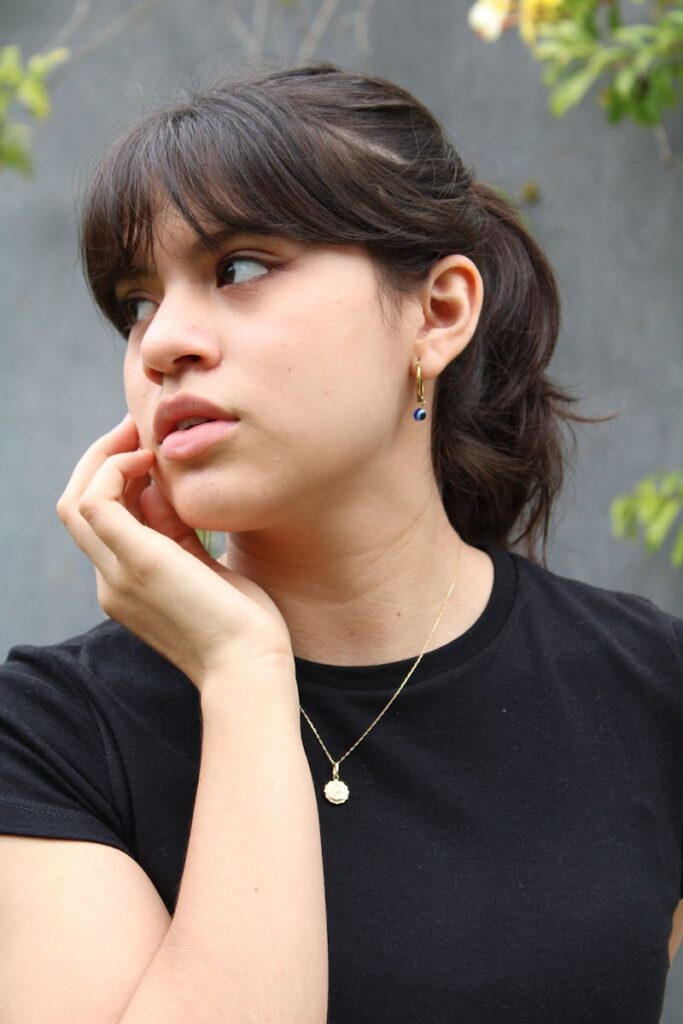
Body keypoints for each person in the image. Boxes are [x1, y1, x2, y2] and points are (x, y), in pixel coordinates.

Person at [0, 60, 681, 1024]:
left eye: (238, 268)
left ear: (437, 312)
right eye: (136, 301)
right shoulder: (52, 737)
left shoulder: (648, 690)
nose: (160, 344)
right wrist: (240, 671)